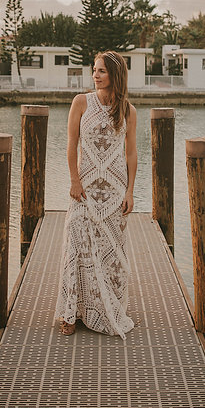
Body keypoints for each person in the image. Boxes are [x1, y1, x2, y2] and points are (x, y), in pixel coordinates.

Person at [55, 50, 137, 338]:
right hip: (85, 188)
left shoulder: (128, 110)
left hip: (114, 192)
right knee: (75, 246)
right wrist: (74, 180)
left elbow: (130, 153)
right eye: (94, 70)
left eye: (101, 70)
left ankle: (106, 307)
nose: (95, 75)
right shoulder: (81, 102)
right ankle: (70, 313)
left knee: (110, 252)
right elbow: (71, 144)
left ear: (115, 74)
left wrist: (129, 191)